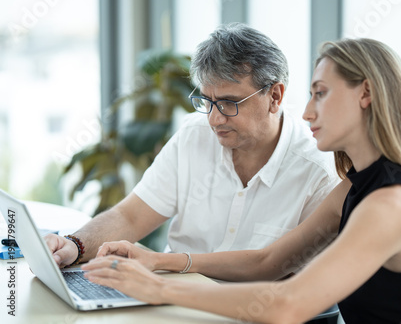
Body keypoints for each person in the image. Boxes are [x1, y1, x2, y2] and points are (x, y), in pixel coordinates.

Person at [82, 38, 401, 324]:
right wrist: (158, 261)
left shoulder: (393, 204)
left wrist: (161, 289)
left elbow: (289, 305)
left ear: (366, 94)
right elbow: (269, 261)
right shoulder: (354, 187)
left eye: (320, 94)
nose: (307, 112)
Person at [45, 23, 338, 269]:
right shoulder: (194, 134)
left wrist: (164, 265)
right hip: (172, 300)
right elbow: (130, 216)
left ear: (275, 96)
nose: (213, 118)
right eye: (207, 101)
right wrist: (75, 244)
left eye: (228, 103)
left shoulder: (317, 171)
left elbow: (280, 274)